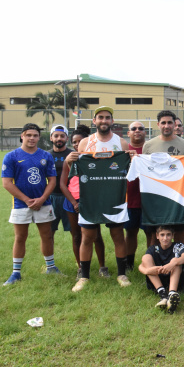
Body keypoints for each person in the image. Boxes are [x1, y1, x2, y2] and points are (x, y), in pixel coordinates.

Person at [73, 106, 131, 292]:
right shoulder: (85, 143)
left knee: (118, 237)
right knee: (87, 237)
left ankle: (122, 274)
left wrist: (133, 158)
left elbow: (128, 171)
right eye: (100, 118)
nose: (104, 121)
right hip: (91, 198)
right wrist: (70, 160)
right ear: (94, 121)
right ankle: (84, 277)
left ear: (112, 121)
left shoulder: (121, 143)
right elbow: (77, 170)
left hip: (115, 196)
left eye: (107, 118)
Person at [2, 123, 60, 285]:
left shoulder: (45, 156)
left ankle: (51, 267)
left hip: (44, 203)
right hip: (21, 205)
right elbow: (7, 183)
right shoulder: (11, 156)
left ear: (39, 137)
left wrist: (41, 199)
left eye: (35, 135)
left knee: (47, 235)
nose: (32, 138)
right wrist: (26, 200)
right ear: (22, 136)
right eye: (28, 135)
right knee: (20, 237)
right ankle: (15, 273)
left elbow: (52, 180)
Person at [59, 126, 108, 278]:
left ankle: (102, 267)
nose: (77, 144)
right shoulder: (70, 159)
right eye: (74, 142)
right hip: (72, 201)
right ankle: (81, 267)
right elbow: (62, 184)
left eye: (80, 141)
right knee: (76, 236)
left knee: (96, 235)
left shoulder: (95, 157)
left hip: (91, 201)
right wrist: (74, 203)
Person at [143, 110, 184, 246]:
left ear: (174, 124)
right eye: (163, 123)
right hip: (156, 197)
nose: (167, 126)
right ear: (158, 124)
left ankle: (178, 264)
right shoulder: (148, 146)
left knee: (179, 233)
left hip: (178, 197)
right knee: (155, 234)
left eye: (170, 123)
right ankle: (155, 263)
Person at [139, 226, 184, 313]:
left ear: (173, 235)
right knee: (145, 257)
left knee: (176, 260)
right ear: (157, 236)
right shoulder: (153, 249)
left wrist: (172, 264)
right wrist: (147, 271)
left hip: (176, 281)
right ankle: (162, 294)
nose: (165, 238)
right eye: (162, 235)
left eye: (168, 235)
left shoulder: (178, 246)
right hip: (159, 279)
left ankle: (171, 294)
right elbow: (141, 265)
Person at [124, 121, 149, 272]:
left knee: (151, 233)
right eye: (133, 128)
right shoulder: (123, 150)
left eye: (141, 128)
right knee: (130, 232)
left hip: (149, 199)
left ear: (145, 132)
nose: (137, 131)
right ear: (128, 133)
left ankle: (151, 261)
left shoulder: (150, 149)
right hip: (130, 199)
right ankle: (129, 263)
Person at [47, 125, 73, 243]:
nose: (59, 138)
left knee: (76, 234)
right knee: (48, 234)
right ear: (51, 138)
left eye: (62, 136)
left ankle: (80, 262)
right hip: (51, 198)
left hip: (69, 198)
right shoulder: (45, 155)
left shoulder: (73, 155)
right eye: (56, 136)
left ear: (67, 138)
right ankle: (49, 261)